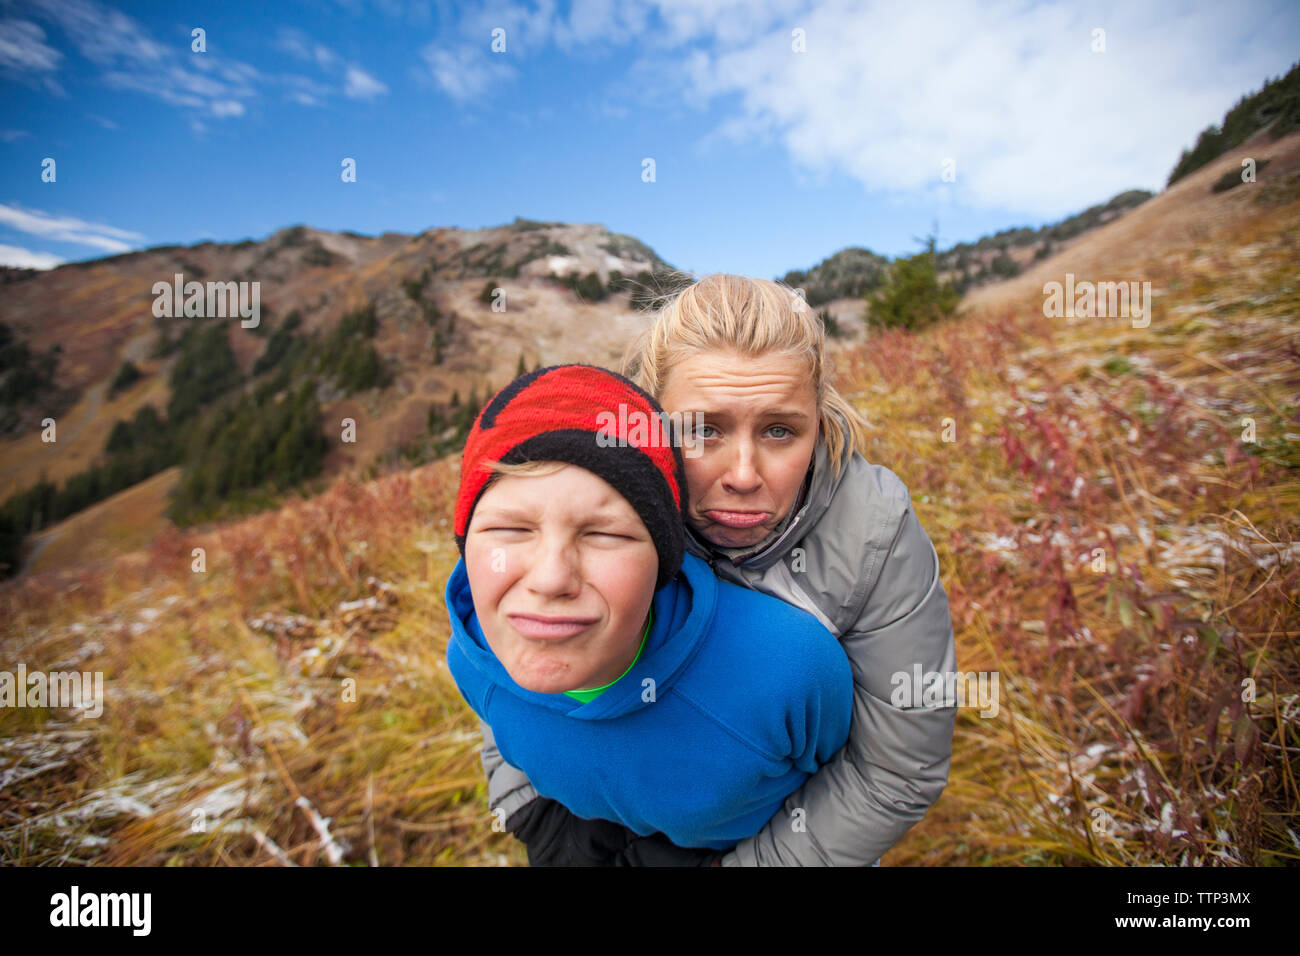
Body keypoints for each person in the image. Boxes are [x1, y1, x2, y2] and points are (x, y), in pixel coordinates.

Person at [481, 274, 958, 866]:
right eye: (703, 429)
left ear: (820, 419)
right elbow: (506, 648)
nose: (743, 474)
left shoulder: (874, 537)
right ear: (649, 422)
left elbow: (897, 770)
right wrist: (536, 816)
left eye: (779, 431)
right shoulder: (603, 493)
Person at [444, 364, 853, 862]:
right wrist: (534, 818)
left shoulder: (788, 668)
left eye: (605, 534)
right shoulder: (472, 652)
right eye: (510, 529)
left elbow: (852, 778)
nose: (551, 578)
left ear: (664, 557)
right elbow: (500, 718)